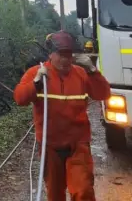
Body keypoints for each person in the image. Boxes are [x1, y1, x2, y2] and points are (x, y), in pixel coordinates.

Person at [14, 30, 111, 201]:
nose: (66, 59)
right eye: (61, 54)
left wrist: (92, 69)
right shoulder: (37, 73)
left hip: (78, 145)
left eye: (69, 54)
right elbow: (20, 98)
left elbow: (103, 94)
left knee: (83, 191)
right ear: (50, 54)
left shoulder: (81, 74)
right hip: (50, 145)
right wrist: (36, 83)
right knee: (55, 194)